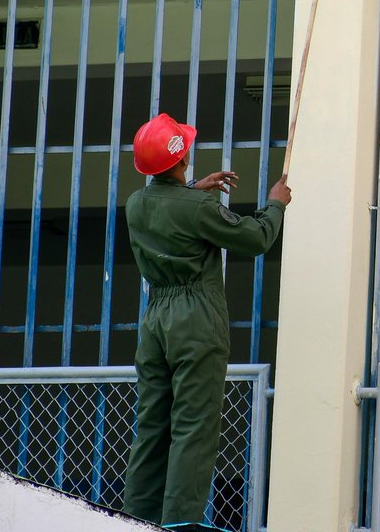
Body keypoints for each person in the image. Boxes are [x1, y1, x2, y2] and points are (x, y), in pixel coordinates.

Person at [121, 113, 291, 531]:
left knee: (153, 425)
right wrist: (276, 202)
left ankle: (134, 521)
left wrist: (193, 189)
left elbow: (168, 207)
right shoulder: (200, 207)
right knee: (194, 426)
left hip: (156, 319)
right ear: (182, 158)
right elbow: (255, 238)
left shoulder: (136, 204)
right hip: (195, 317)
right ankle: (180, 523)